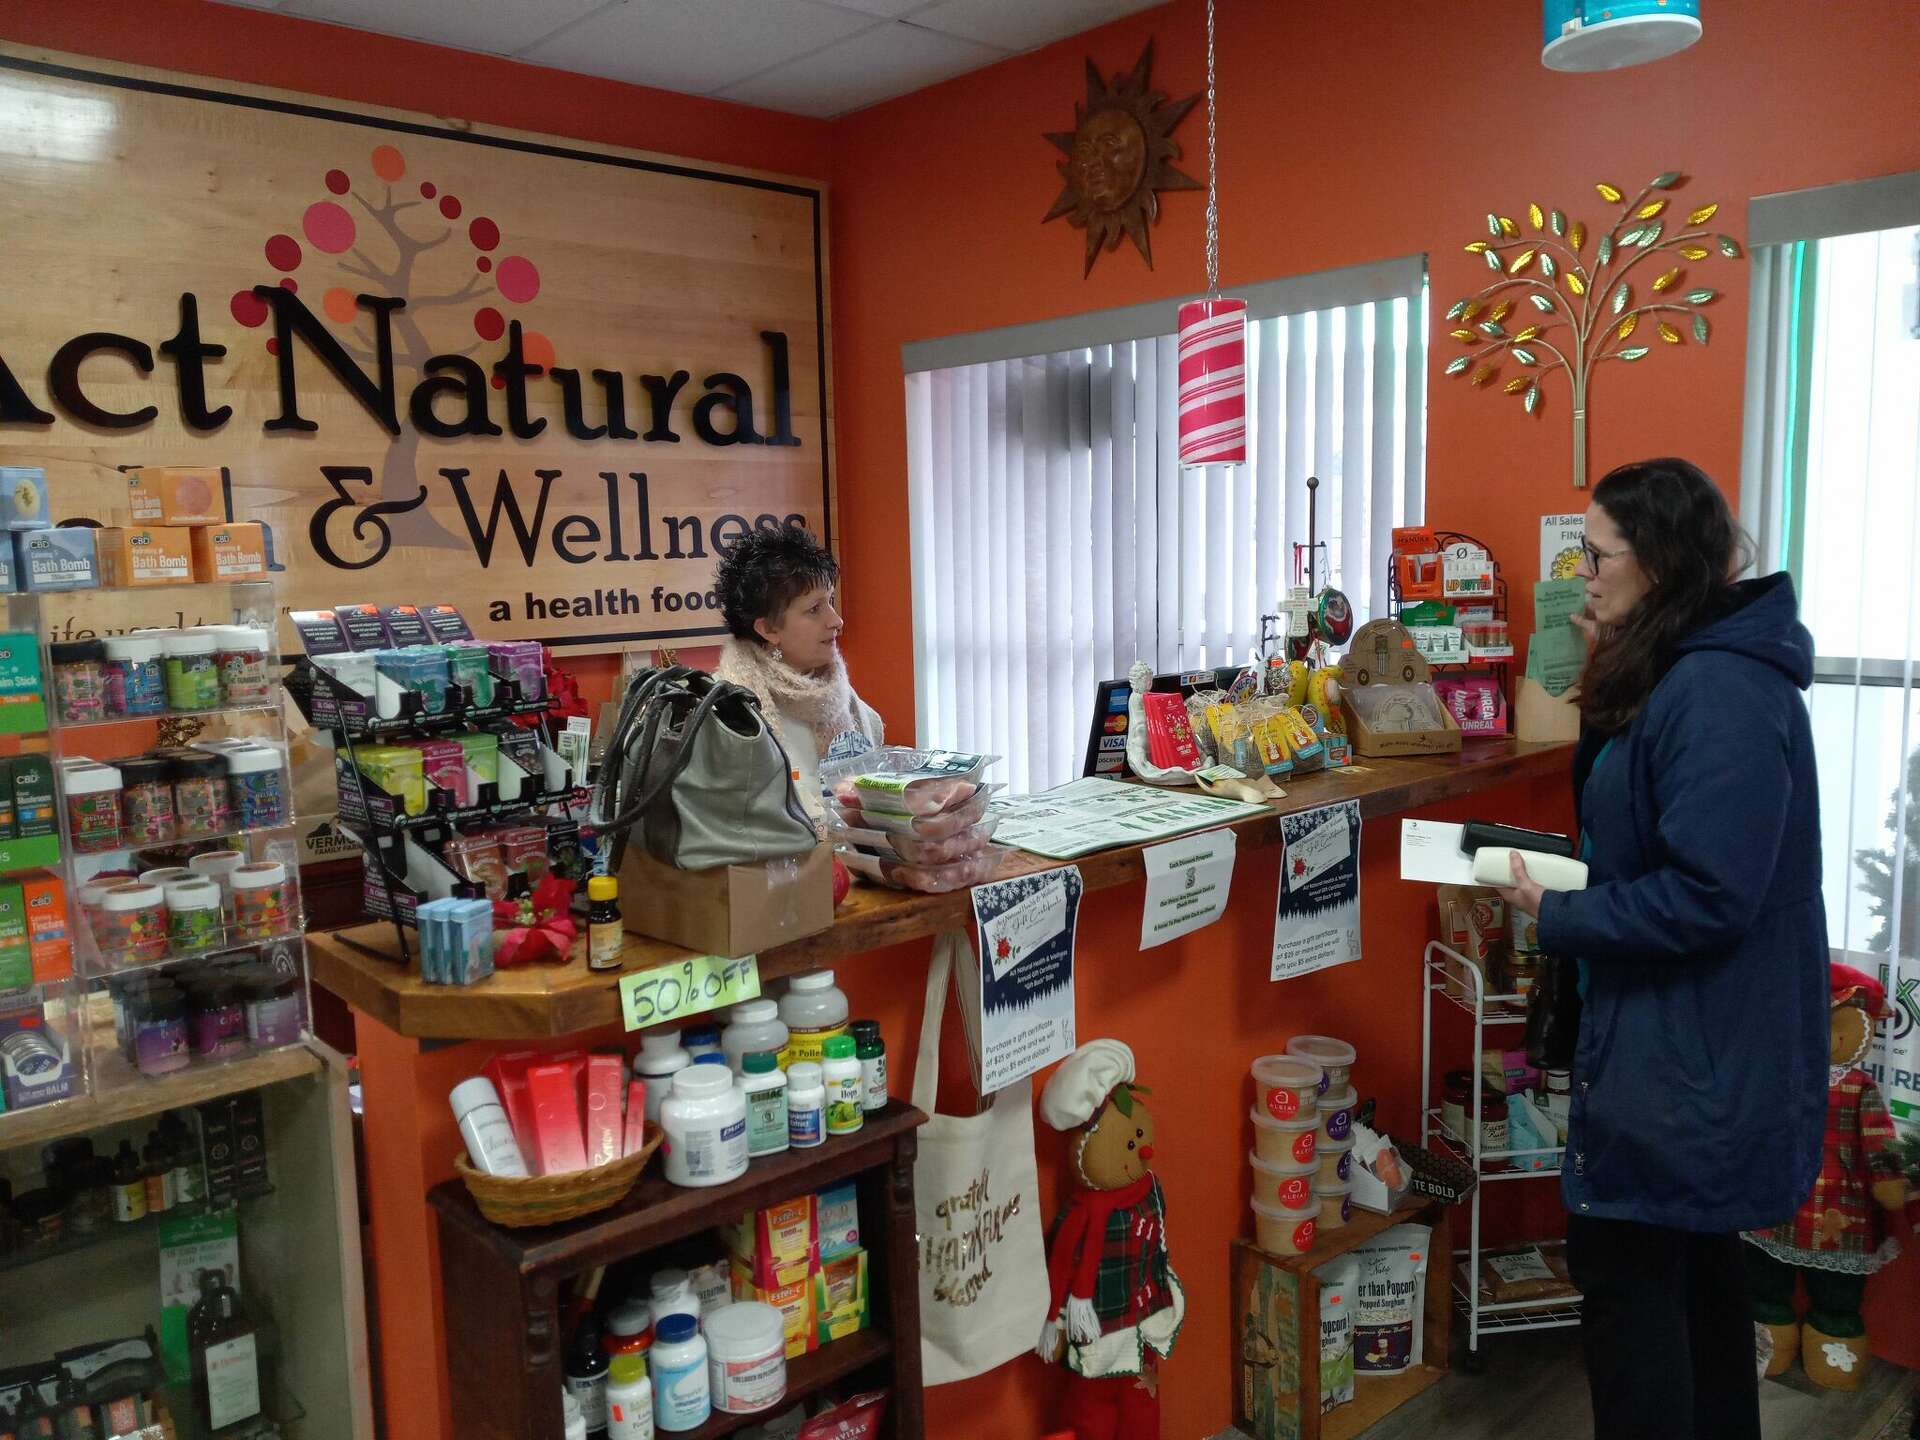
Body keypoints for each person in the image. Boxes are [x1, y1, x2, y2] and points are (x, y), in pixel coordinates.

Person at [1495, 459, 1827, 1440]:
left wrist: (1559, 915)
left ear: (1662, 563)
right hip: (1682, 1048)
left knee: (1633, 1284)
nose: (1582, 576)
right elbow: (1648, 830)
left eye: (1597, 557)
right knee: (1695, 1280)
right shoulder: (1682, 667)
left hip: (1692, 1056)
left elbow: (1708, 895)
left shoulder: (1719, 691)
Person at [712, 526, 883, 817]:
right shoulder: (723, 711)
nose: (837, 620)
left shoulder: (843, 699)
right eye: (814, 609)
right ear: (768, 629)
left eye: (830, 601)